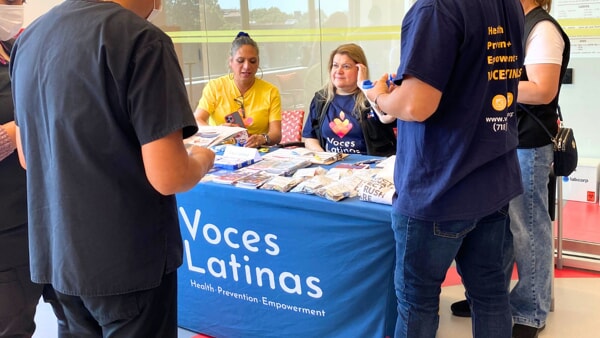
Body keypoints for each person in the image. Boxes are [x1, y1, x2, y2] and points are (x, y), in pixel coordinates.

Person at [10, 0, 215, 337]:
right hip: (128, 264)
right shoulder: (142, 40)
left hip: (60, 258)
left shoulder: (30, 39)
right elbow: (169, 176)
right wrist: (203, 158)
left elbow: (28, 158)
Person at [360, 0, 524, 337]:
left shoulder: (436, 8)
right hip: (493, 179)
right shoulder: (509, 5)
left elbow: (415, 105)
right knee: (491, 297)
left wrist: (379, 97)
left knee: (417, 304)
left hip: (438, 187)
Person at [451, 1, 570, 337]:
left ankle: (531, 310)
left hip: (529, 145)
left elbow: (543, 90)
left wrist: (484, 86)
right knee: (499, 228)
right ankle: (492, 299)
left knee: (528, 227)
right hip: (503, 141)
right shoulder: (512, 25)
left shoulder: (542, 28)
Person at [302, 43, 396, 157]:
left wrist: (364, 86)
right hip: (332, 165)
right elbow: (309, 137)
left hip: (370, 164)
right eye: (335, 65)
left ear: (360, 70)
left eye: (346, 66)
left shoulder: (373, 95)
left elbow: (389, 119)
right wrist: (324, 157)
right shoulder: (321, 99)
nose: (339, 71)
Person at [194, 31, 282, 148]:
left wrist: (262, 138)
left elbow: (276, 134)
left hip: (257, 153)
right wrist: (218, 130)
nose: (246, 66)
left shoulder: (270, 91)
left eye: (252, 61)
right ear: (230, 62)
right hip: (222, 151)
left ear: (258, 62)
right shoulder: (215, 87)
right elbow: (198, 120)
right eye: (240, 61)